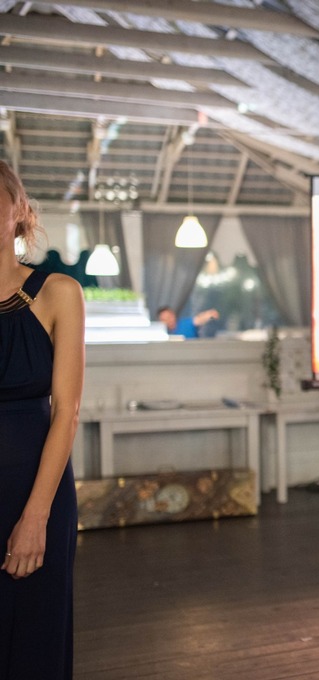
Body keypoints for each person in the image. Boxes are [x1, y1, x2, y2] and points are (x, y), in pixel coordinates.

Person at [0, 160, 84, 678]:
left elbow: (67, 412)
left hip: (35, 492)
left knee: (34, 643)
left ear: (19, 210)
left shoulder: (57, 292)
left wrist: (35, 518)